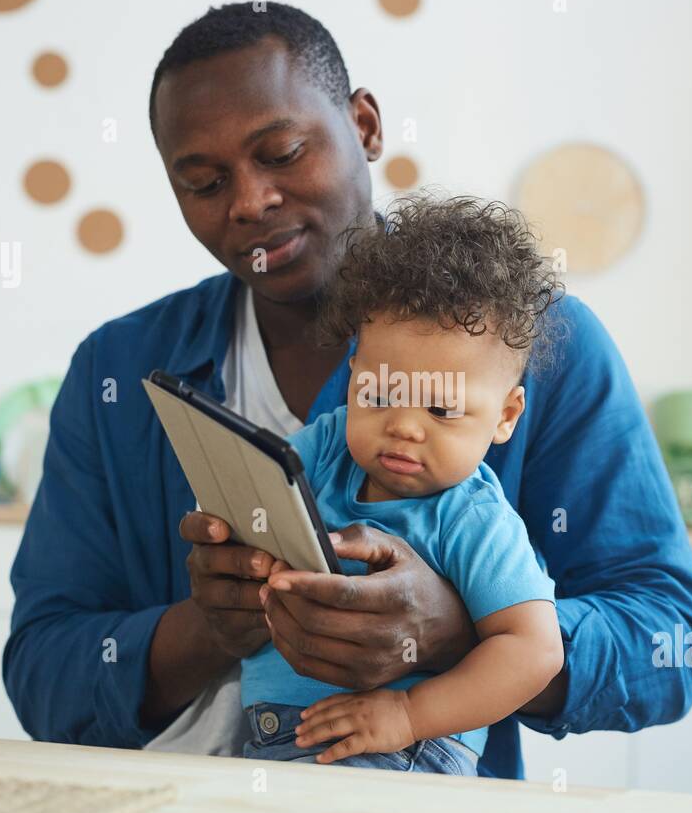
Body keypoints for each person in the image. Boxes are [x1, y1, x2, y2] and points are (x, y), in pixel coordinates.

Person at [3, 1, 692, 780]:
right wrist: (210, 627)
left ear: (366, 125)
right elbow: (42, 673)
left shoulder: (534, 347)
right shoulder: (118, 369)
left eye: (281, 152)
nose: (248, 201)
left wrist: (464, 630)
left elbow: (673, 641)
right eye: (204, 182)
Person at [242, 194, 565, 775]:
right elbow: (260, 483)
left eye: (441, 410)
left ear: (506, 416)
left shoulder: (472, 517)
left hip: (403, 752)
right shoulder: (328, 446)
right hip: (276, 741)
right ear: (353, 377)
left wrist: (409, 713)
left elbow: (535, 650)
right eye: (381, 394)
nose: (404, 425)